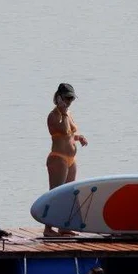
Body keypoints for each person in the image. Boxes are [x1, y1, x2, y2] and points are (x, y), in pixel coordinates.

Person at [45, 82, 88, 237]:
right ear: (59, 97)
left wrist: (79, 137)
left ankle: (64, 226)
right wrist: (62, 110)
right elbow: (60, 130)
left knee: (69, 193)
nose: (69, 101)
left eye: (71, 99)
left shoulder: (68, 113)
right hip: (58, 158)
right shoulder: (54, 115)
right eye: (67, 98)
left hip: (71, 158)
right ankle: (48, 228)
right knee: (55, 193)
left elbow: (68, 135)